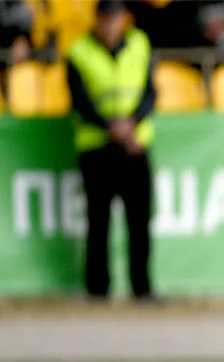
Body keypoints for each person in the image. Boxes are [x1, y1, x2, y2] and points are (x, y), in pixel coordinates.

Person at [65, 0, 158, 304]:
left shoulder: (140, 44)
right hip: (97, 147)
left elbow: (150, 92)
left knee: (139, 221)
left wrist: (131, 124)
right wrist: (111, 127)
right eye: (106, 17)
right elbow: (80, 100)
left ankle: (142, 288)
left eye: (116, 17)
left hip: (135, 145)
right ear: (97, 18)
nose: (111, 24)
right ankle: (97, 290)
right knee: (99, 221)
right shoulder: (79, 52)